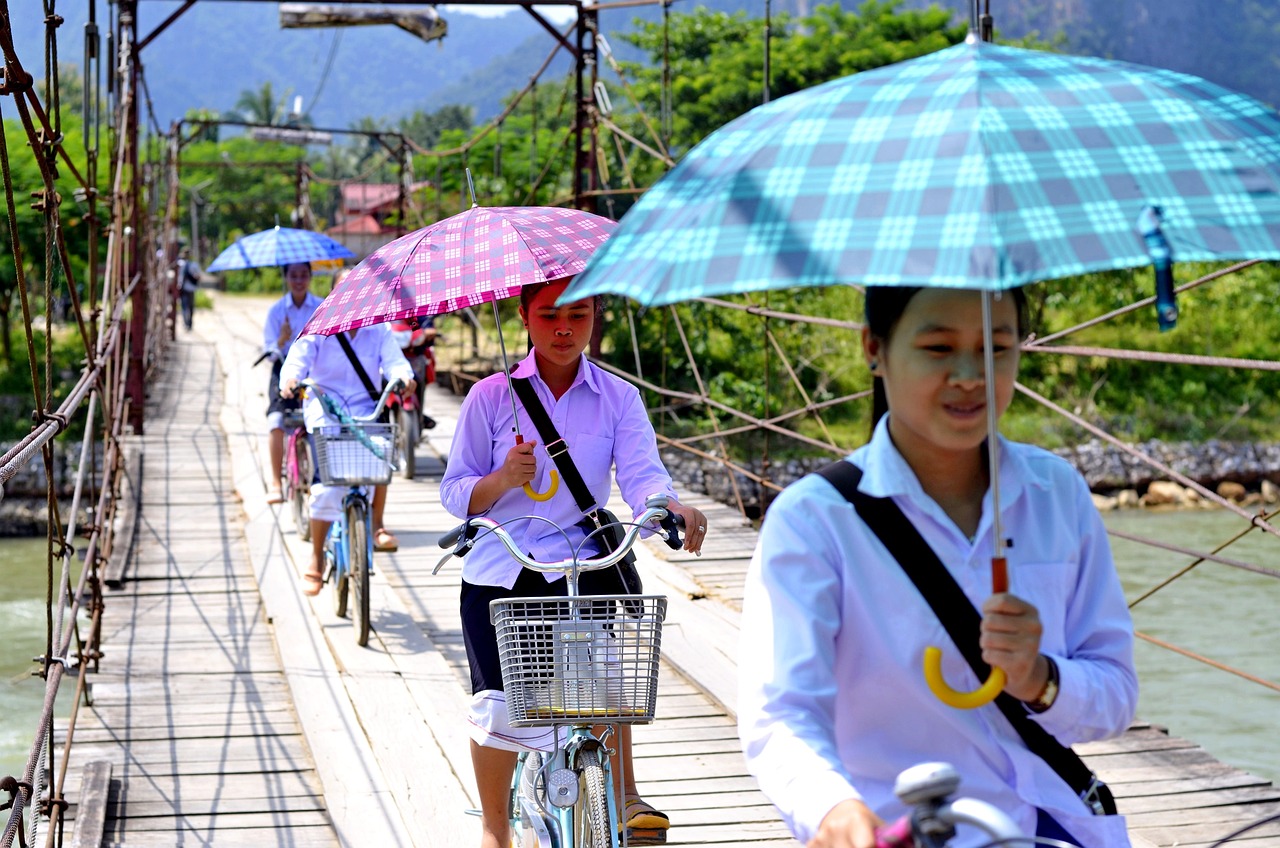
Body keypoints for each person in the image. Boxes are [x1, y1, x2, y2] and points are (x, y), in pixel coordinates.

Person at [737, 287, 1137, 848]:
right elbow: (780, 713)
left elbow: (1116, 693)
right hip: (897, 832)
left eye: (996, 347)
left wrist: (1039, 679)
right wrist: (831, 806)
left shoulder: (1057, 495)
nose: (972, 375)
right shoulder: (813, 522)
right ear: (874, 348)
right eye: (938, 347)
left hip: (1054, 829)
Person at [440, 278, 709, 848]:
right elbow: (455, 490)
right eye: (548, 315)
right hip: (505, 566)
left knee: (610, 685)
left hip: (587, 561)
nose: (563, 328)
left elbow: (642, 475)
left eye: (578, 314)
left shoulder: (618, 397)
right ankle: (495, 828)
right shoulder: (490, 397)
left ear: (595, 318)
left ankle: (624, 793)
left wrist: (668, 508)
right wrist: (499, 480)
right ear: (524, 317)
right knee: (502, 710)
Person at [279, 322, 415, 596]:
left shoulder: (379, 330)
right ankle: (316, 557)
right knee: (328, 487)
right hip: (324, 411)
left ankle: (377, 525)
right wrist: (291, 381)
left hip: (366, 408)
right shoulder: (317, 330)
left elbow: (395, 362)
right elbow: (295, 362)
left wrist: (404, 378)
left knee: (380, 455)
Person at [263, 262, 325, 504]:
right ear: (286, 278)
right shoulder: (277, 311)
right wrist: (281, 339)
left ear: (309, 277)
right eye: (294, 275)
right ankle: (276, 482)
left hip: (314, 372)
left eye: (303, 275)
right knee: (276, 421)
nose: (299, 280)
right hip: (283, 372)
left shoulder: (321, 306)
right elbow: (269, 351)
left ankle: (320, 477)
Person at [177, 248, 203, 331]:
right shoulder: (193, 265)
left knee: (186, 307)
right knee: (188, 307)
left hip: (186, 288)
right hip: (189, 289)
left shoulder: (182, 264)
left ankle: (188, 323)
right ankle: (188, 323)